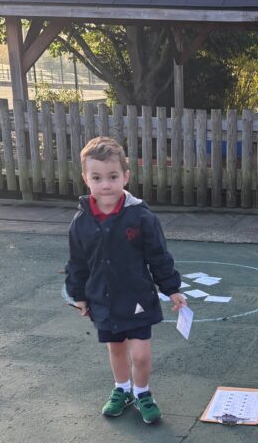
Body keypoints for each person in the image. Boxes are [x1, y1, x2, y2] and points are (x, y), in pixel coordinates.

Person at [65, 136, 186, 424]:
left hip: (136, 297)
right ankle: (122, 389)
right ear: (86, 179)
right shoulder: (81, 221)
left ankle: (143, 392)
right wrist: (78, 295)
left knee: (141, 355)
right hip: (102, 298)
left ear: (126, 176)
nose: (105, 184)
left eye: (113, 176)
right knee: (116, 349)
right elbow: (77, 262)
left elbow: (158, 255)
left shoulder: (141, 216)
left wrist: (172, 289)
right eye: (97, 177)